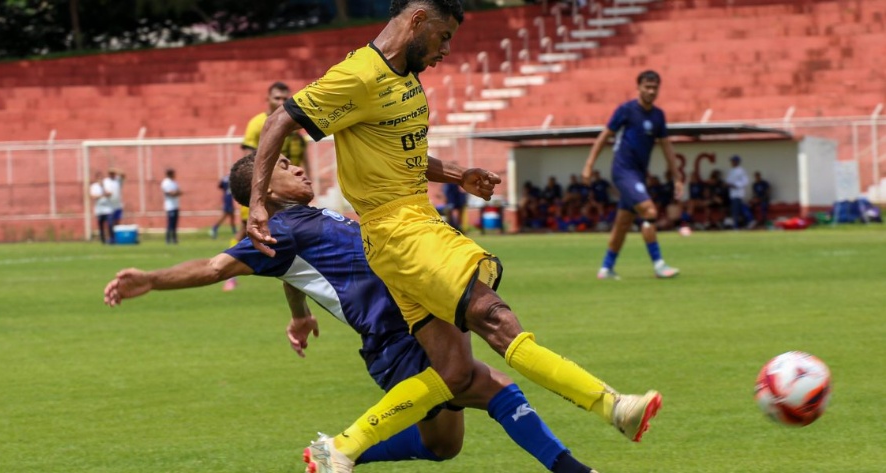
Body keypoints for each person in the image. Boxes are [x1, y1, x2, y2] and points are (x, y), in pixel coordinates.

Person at [247, 2, 662, 472]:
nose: (446, 49)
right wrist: (258, 202)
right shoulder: (359, 74)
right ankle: (613, 406)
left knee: (453, 372)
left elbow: (399, 155)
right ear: (418, 19)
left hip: (406, 232)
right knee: (492, 315)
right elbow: (283, 119)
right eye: (444, 36)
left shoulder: (404, 78)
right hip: (402, 232)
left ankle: (340, 448)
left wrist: (458, 174)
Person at [104, 153, 599, 473]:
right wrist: (150, 279)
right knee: (491, 385)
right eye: (284, 166)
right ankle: (575, 469)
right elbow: (215, 266)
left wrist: (298, 314)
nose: (299, 168)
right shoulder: (277, 229)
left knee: (445, 446)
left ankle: (336, 453)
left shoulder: (306, 219)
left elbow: (288, 271)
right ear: (265, 188)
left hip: (412, 323)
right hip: (396, 337)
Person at [582, 70, 683, 279]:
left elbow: (667, 148)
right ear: (638, 87)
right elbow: (604, 136)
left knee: (623, 224)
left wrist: (677, 177)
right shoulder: (626, 110)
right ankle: (659, 265)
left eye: (655, 88)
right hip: (622, 171)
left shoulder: (658, 116)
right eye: (647, 87)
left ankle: (606, 268)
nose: (651, 91)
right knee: (650, 211)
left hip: (638, 175)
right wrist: (589, 165)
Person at [241, 81, 311, 179]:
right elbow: (248, 158)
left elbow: (302, 153)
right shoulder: (256, 123)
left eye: (285, 99)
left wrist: (309, 178)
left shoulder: (294, 122)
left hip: (293, 179)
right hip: (269, 180)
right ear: (268, 98)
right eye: (277, 98)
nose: (281, 102)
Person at [725, 155, 753, 229]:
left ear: (737, 162)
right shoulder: (731, 170)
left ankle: (737, 225)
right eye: (732, 161)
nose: (732, 162)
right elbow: (728, 181)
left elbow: (745, 181)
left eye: (733, 161)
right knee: (735, 210)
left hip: (738, 193)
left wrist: (735, 185)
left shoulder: (741, 170)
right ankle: (742, 223)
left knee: (737, 210)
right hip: (732, 194)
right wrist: (727, 184)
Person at [89, 170, 114, 244]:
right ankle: (103, 240)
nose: (100, 179)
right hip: (99, 209)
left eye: (101, 177)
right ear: (96, 178)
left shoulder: (107, 185)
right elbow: (93, 196)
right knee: (101, 225)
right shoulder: (94, 186)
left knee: (110, 224)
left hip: (107, 209)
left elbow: (109, 193)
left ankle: (112, 239)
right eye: (98, 178)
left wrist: (103, 188)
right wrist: (102, 195)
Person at [210, 175, 237, 239]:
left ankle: (235, 232)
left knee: (232, 216)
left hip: (226, 197)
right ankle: (214, 228)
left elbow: (220, 186)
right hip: (229, 199)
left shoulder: (225, 178)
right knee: (225, 215)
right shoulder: (232, 178)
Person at [160, 168, 182, 244]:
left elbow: (179, 191)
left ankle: (174, 239)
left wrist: (176, 193)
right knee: (170, 224)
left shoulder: (174, 182)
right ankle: (168, 239)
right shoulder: (165, 182)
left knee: (175, 224)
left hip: (176, 205)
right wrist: (175, 193)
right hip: (170, 206)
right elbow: (170, 193)